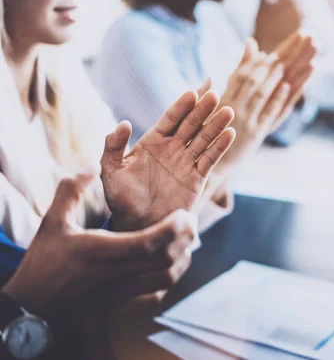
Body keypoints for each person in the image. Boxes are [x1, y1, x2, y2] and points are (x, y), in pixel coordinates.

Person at [0, 70, 239, 359]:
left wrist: (131, 227)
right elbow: (40, 278)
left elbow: (46, 272)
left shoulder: (68, 85)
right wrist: (29, 298)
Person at [0, 0, 244, 247]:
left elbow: (131, 217)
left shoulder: (68, 82)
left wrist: (144, 216)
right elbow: (37, 268)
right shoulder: (132, 36)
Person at [97, 0, 316, 153]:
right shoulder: (132, 35)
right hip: (158, 205)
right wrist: (266, 51)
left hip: (216, 193)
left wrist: (278, 63)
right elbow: (195, 146)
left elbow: (275, 128)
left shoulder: (209, 18)